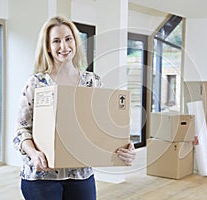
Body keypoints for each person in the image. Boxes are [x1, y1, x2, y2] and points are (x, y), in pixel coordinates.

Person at [13, 16, 136, 200]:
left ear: (75, 42)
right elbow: (21, 130)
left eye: (68, 39)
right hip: (41, 177)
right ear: (48, 46)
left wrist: (126, 148)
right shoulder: (37, 83)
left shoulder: (92, 82)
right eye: (56, 41)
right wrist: (34, 153)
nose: (64, 46)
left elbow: (104, 125)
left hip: (81, 175)